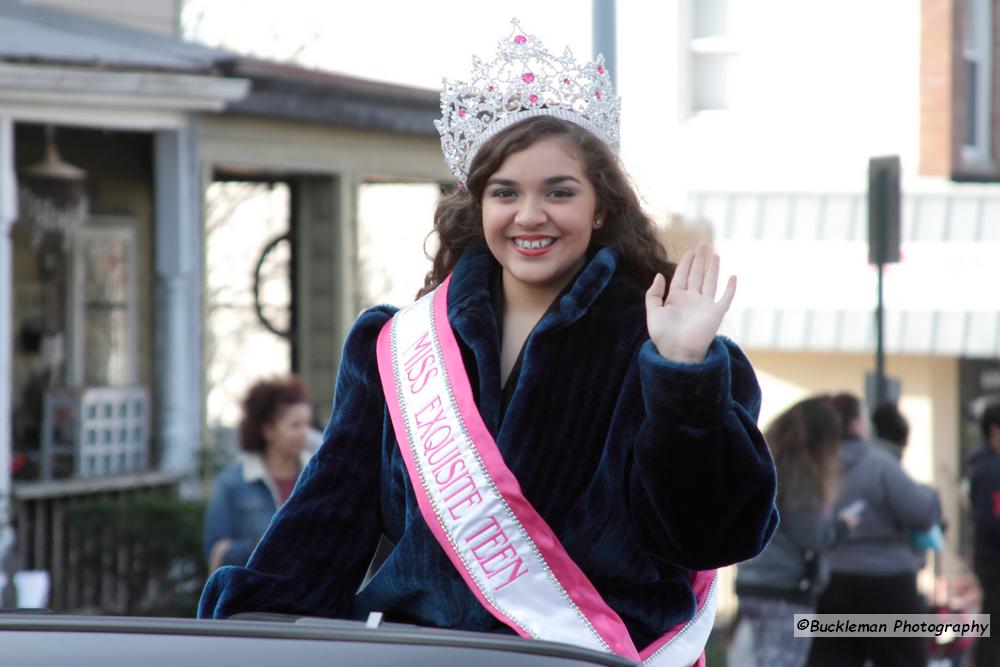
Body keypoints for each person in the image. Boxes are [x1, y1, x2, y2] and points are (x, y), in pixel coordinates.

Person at [199, 20, 778, 665]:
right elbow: (324, 525)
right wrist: (244, 630)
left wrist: (682, 374)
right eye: (505, 193)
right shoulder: (398, 346)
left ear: (602, 208)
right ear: (480, 208)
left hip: (594, 659)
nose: (530, 215)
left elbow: (713, 534)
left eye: (559, 192)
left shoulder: (665, 348)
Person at [808, 392, 941, 667]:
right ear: (857, 425)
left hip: (832, 584)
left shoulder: (815, 466)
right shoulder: (880, 465)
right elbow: (922, 513)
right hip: (888, 586)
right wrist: (931, 496)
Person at [733, 395, 850, 667]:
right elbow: (811, 535)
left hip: (751, 581)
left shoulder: (764, 462)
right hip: (786, 589)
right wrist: (842, 527)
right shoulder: (801, 476)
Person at [202, 376, 313, 573]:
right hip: (256, 598)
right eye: (295, 425)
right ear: (268, 430)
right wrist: (263, 545)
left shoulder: (319, 478)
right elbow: (214, 554)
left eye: (307, 424)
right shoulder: (231, 483)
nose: (304, 433)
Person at [968, 402, 1000, 667]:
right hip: (995, 560)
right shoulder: (991, 470)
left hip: (989, 556)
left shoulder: (986, 465)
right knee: (993, 630)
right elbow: (993, 517)